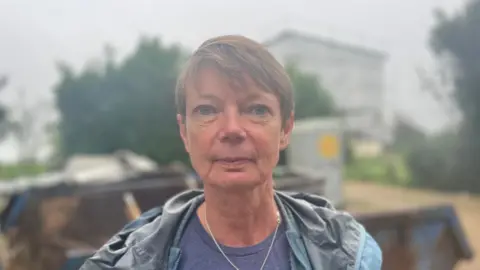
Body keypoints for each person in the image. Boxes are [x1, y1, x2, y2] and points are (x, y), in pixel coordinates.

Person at [80, 35, 382, 270]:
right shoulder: (136, 259)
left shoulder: (346, 253)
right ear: (185, 132)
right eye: (208, 110)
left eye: (256, 109)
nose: (232, 129)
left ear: (286, 129)